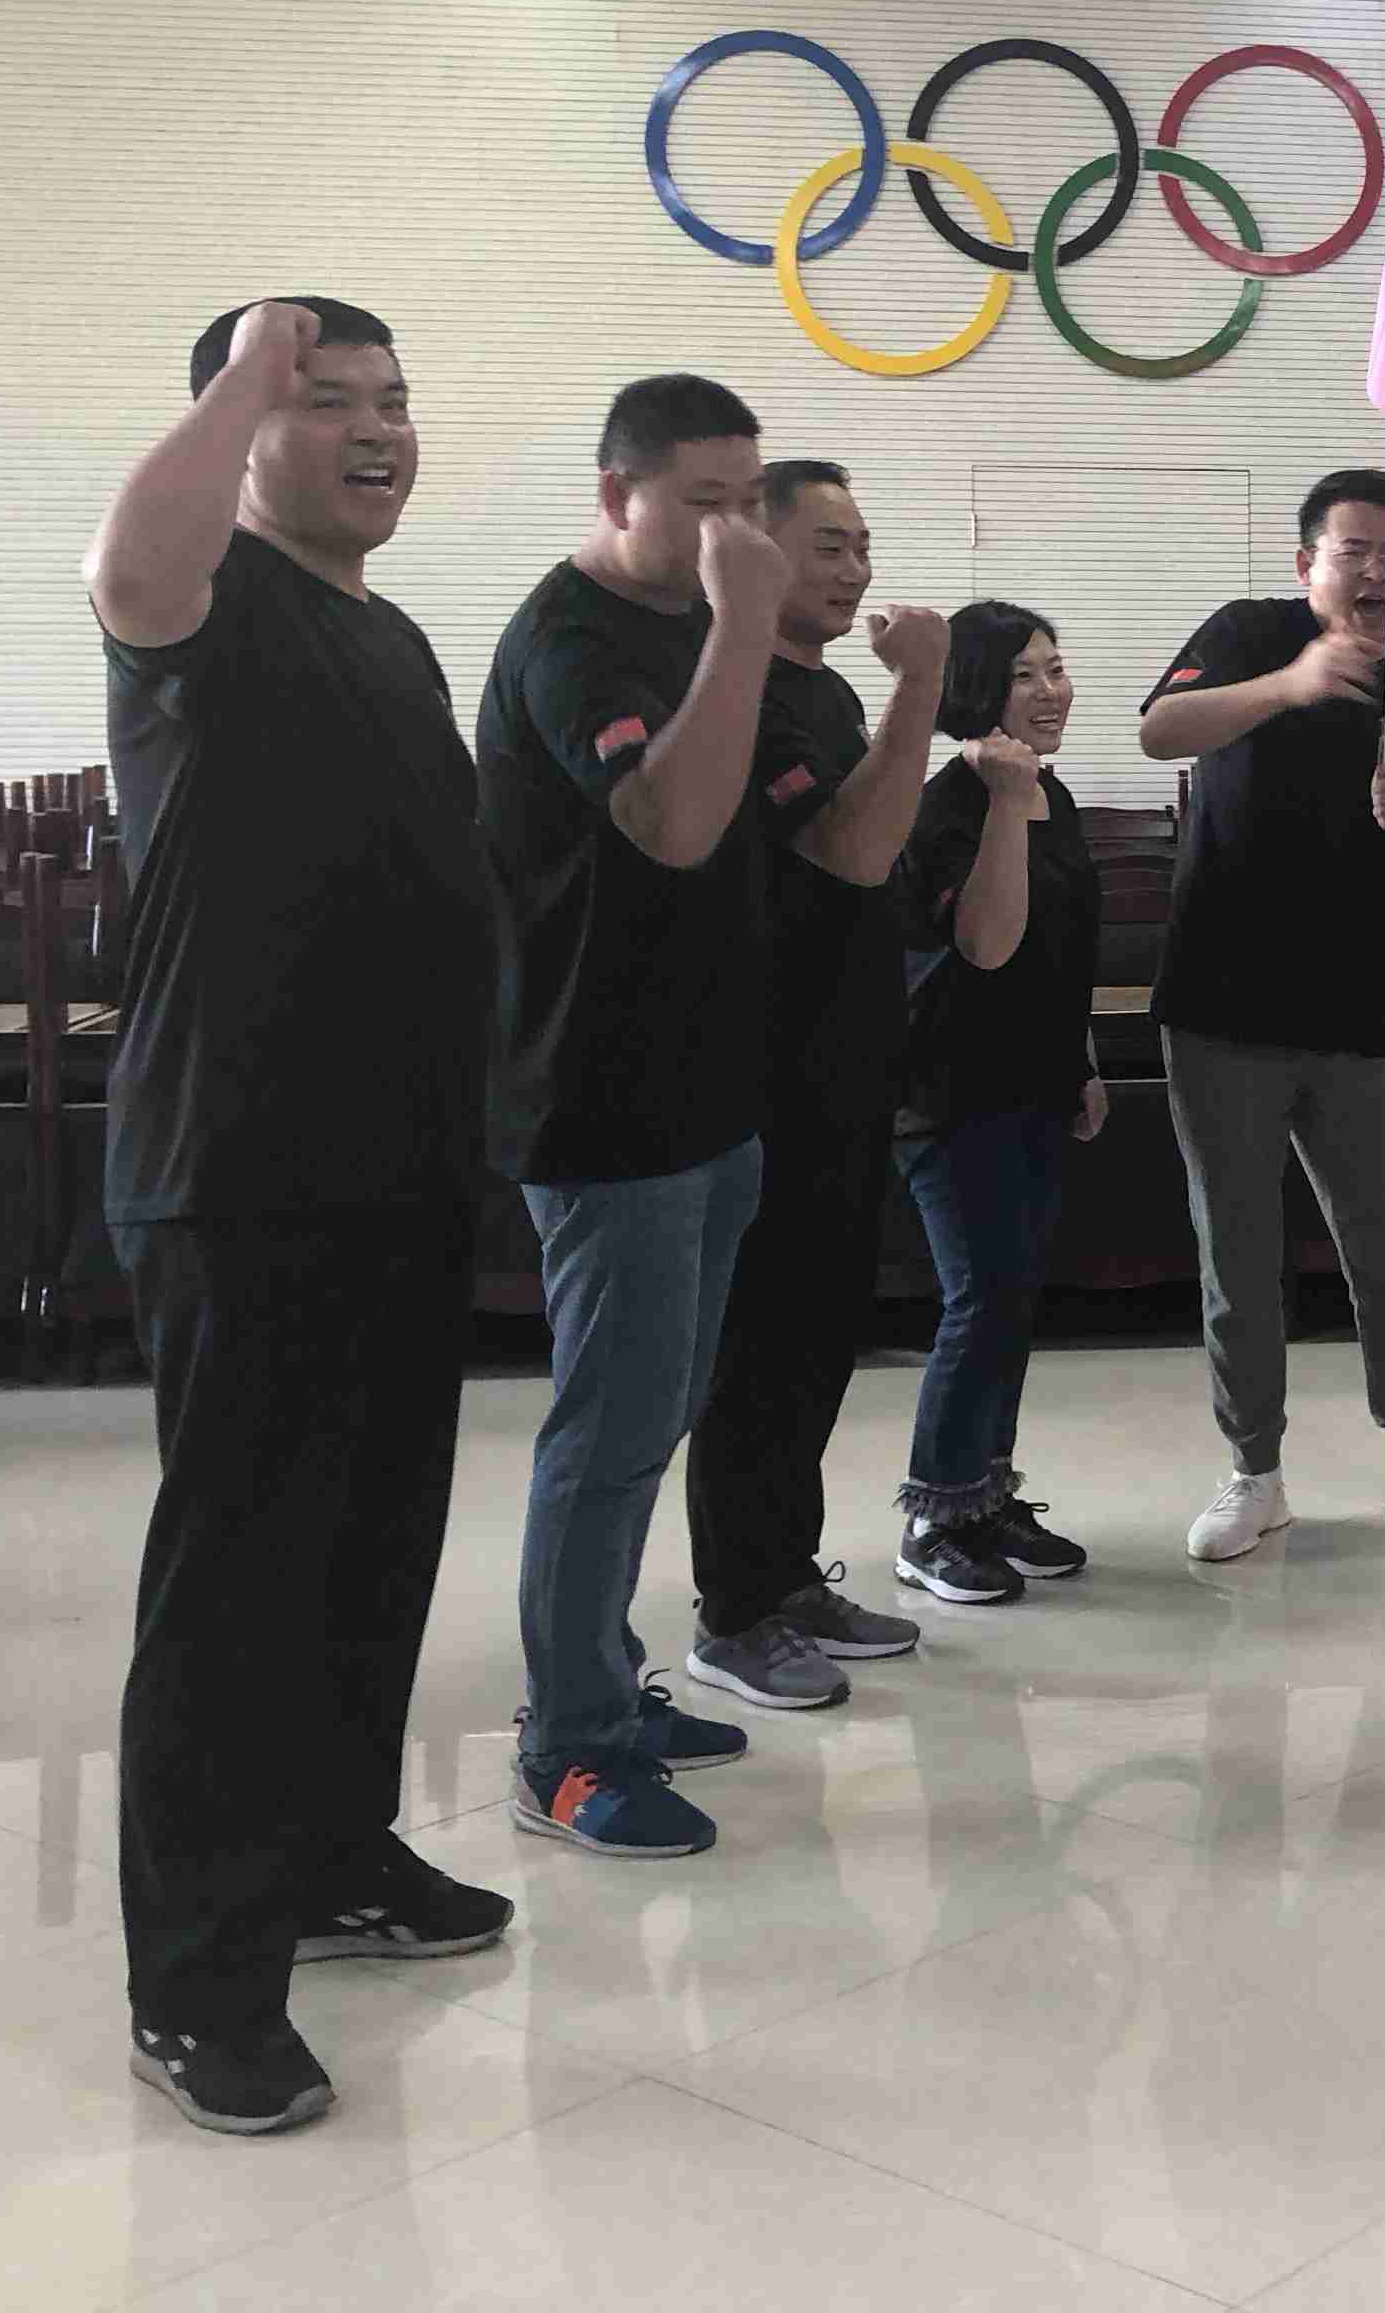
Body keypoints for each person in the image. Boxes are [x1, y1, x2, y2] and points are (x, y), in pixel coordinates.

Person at [86, 295, 507, 2139]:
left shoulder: (388, 631)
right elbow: (126, 567)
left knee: (370, 1544)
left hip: (399, 1165)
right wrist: (246, 367)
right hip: (239, 1164)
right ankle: (196, 1985)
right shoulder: (210, 604)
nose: (372, 427)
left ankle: (337, 1853)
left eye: (390, 398)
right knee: (241, 1581)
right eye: (321, 399)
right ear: (243, 428)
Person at [477, 373, 787, 1861]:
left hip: (706, 1087)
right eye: (704, 502)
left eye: (751, 499)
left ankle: (606, 1681)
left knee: (657, 1410)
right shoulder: (570, 640)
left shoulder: (690, 624)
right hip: (599, 1098)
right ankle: (566, 1749)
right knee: (606, 1431)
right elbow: (670, 823)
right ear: (618, 496)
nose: (736, 531)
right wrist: (747, 623)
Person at [1136, 472, 1385, 1564]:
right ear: (1309, 566)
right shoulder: (1248, 634)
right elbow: (1160, 730)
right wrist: (1289, 684)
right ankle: (1254, 1474)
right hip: (1220, 1004)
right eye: (1355, 550)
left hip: (1355, 1010)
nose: (1377, 570)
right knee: (1238, 1259)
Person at [677, 461, 944, 1710]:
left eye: (862, 545)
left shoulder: (830, 691)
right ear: (757, 549)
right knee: (760, 1348)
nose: (855, 569)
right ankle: (732, 1611)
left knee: (820, 1342)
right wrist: (923, 688)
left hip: (848, 1066)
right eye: (827, 545)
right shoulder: (743, 691)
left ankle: (786, 1575)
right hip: (763, 1074)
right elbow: (851, 848)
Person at [891, 602, 1106, 1608]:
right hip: (950, 1093)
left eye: (1056, 668)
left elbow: (1064, 951)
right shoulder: (945, 808)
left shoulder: (1050, 795)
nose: (1051, 690)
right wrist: (1007, 805)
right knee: (978, 1297)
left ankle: (985, 1495)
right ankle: (933, 1518)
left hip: (1035, 1084)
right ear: (978, 688)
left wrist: (1083, 1064)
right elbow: (987, 944)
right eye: (1026, 674)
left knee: (1013, 1296)